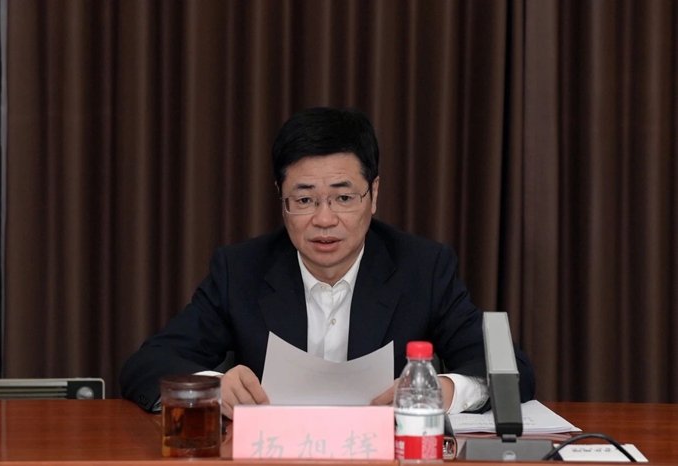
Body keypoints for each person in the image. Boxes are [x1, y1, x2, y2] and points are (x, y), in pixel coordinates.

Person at [119, 107, 535, 418]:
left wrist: (444, 390)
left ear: (373, 194)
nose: (323, 219)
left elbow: (510, 370)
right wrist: (214, 388)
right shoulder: (241, 270)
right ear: (281, 198)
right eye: (304, 200)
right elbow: (147, 365)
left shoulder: (422, 268)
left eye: (343, 197)